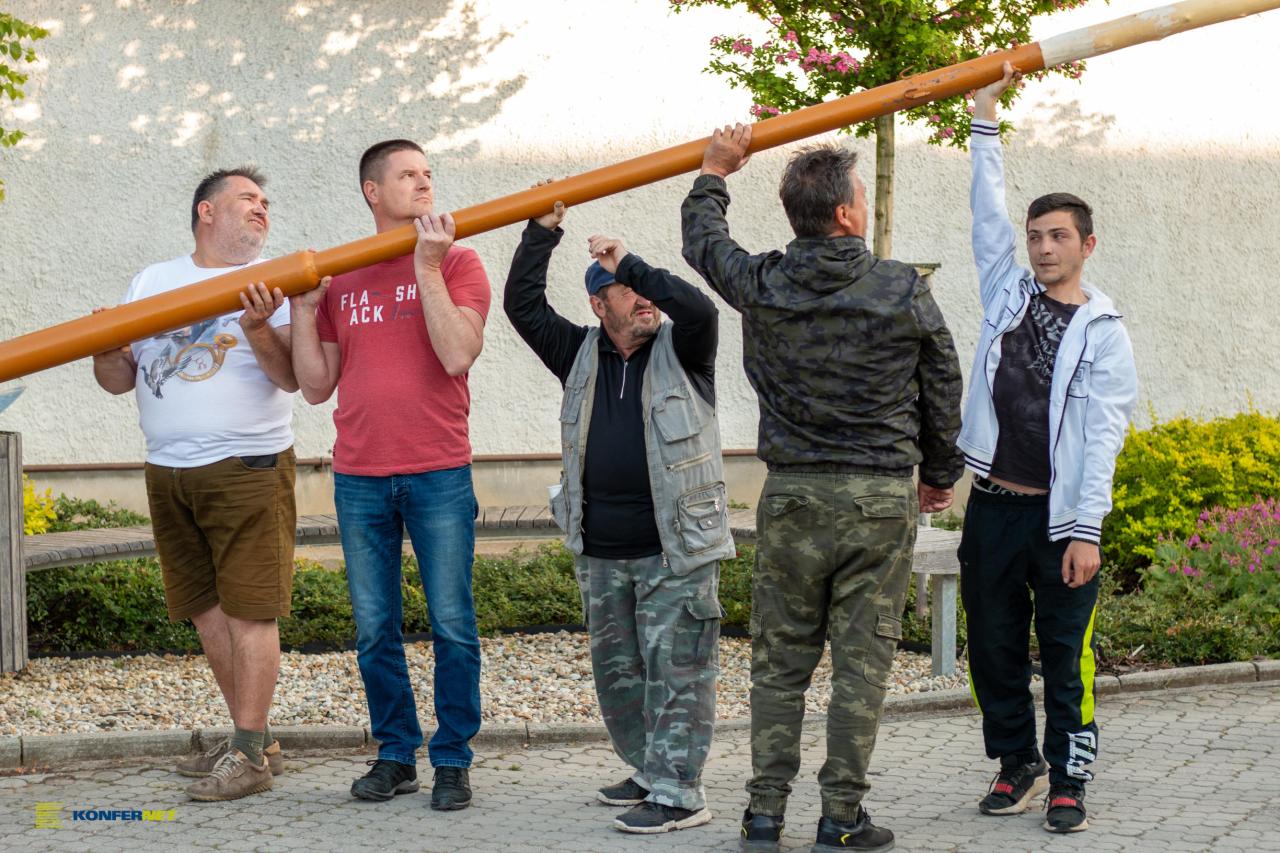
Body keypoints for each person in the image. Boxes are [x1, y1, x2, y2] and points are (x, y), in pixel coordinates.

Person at [681, 125, 965, 853]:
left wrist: (714, 172)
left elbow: (703, 243)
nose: (865, 205)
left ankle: (763, 814)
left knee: (780, 663)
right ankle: (841, 816)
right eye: (861, 196)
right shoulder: (901, 287)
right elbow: (942, 381)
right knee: (861, 665)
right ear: (843, 213)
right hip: (879, 495)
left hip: (795, 495)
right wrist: (939, 473)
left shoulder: (764, 283)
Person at [503, 192, 732, 834]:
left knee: (678, 672)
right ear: (598, 306)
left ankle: (680, 792)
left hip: (675, 551)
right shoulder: (577, 351)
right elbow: (522, 305)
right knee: (620, 677)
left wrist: (631, 264)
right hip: (602, 553)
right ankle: (650, 769)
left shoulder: (687, 349)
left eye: (642, 287)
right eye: (625, 291)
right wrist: (540, 233)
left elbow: (699, 306)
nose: (642, 298)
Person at [959, 63, 1137, 834]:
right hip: (992, 508)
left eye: (1058, 236)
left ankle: (1070, 777)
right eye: (1034, 236)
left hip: (1060, 521)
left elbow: (1103, 435)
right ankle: (1016, 762)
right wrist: (984, 119)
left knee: (1067, 655)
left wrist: (1086, 530)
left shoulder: (1105, 332)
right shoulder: (1007, 292)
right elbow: (984, 213)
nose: (1042, 247)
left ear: (1087, 245)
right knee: (993, 646)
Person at [290, 139, 489, 811]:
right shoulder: (343, 274)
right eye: (408, 175)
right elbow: (315, 385)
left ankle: (453, 759)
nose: (424, 183)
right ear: (373, 191)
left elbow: (457, 354)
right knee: (375, 628)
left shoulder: (457, 260)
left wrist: (426, 267)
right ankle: (397, 753)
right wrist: (302, 310)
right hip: (360, 475)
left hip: (438, 470)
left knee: (452, 623)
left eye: (428, 173)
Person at [93, 166, 297, 801]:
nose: (262, 209)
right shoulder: (152, 281)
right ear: (207, 211)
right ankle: (254, 741)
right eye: (248, 199)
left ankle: (249, 756)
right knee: (206, 611)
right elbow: (118, 380)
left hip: (246, 464)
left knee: (250, 609)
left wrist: (257, 325)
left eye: (266, 202)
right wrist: (104, 351)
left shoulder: (277, 282)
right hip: (167, 466)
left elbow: (291, 377)